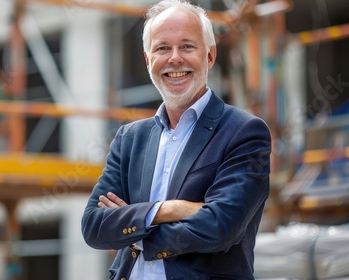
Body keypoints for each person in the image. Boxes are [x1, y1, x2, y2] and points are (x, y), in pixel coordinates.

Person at [81, 0, 271, 279]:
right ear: (148, 60)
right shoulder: (129, 139)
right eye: (162, 48)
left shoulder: (244, 132)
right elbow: (94, 226)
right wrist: (170, 209)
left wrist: (134, 229)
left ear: (209, 56)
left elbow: (221, 227)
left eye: (187, 46)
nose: (174, 59)